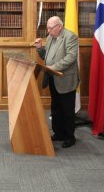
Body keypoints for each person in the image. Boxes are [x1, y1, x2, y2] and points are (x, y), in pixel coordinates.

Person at [34, 16, 80, 148]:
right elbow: (46, 57)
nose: (48, 31)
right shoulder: (50, 37)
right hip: (53, 78)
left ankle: (69, 137)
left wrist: (52, 68)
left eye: (50, 28)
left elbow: (70, 58)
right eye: (47, 28)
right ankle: (59, 133)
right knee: (56, 109)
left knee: (67, 110)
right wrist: (39, 48)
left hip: (65, 79)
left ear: (59, 27)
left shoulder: (70, 37)